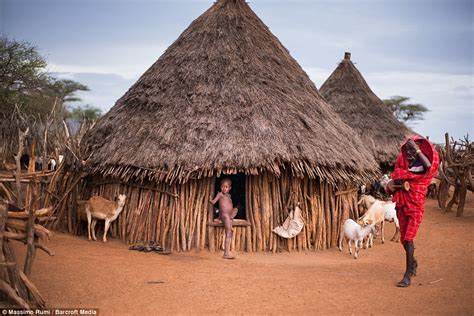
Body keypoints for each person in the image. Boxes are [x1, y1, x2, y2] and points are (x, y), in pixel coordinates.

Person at [385, 135, 439, 287]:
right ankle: (413, 263)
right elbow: (396, 179)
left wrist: (417, 151)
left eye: (412, 149)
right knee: (404, 239)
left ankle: (407, 276)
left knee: (409, 238)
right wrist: (390, 186)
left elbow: (429, 167)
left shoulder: (422, 164)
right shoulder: (402, 164)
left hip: (415, 205)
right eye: (407, 148)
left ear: (418, 149)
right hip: (402, 204)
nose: (409, 152)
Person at [209, 178, 238, 259]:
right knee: (228, 233)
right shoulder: (220, 194)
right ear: (220, 187)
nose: (224, 188)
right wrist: (210, 199)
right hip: (224, 216)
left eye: (226, 187)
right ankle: (226, 254)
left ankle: (229, 219)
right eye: (222, 187)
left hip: (228, 215)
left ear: (229, 188)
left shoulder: (229, 197)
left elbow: (228, 206)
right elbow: (213, 202)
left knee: (236, 209)